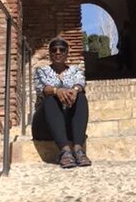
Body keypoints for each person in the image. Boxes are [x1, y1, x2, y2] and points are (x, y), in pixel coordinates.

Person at [33, 37, 92, 168]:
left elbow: (80, 84)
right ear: (50, 53)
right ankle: (65, 151)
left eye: (62, 50)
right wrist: (56, 91)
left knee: (81, 97)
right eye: (54, 50)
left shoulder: (75, 70)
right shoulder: (41, 71)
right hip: (45, 125)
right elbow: (41, 88)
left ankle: (78, 149)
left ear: (67, 53)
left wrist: (75, 91)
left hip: (68, 125)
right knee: (51, 98)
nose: (58, 52)